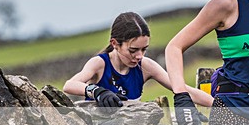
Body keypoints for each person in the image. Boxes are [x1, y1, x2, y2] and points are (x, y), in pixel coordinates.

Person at [63, 11, 212, 108]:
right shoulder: (100, 64)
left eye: (144, 49)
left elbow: (185, 90)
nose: (140, 56)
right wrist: (98, 92)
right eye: (133, 50)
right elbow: (69, 85)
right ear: (115, 44)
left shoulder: (146, 66)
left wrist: (224, 108)